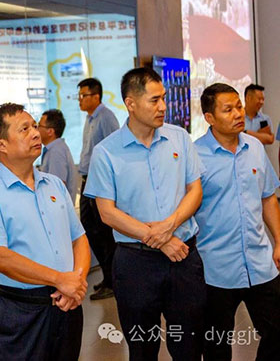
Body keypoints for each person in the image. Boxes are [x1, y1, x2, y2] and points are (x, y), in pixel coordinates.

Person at [84, 67, 206, 361]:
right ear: (131, 103)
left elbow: (195, 190)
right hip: (136, 263)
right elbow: (107, 212)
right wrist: (161, 239)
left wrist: (169, 226)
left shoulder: (179, 138)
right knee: (142, 347)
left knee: (189, 346)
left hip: (183, 256)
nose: (163, 106)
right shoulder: (106, 152)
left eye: (163, 98)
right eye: (154, 100)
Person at [0, 103, 90, 361]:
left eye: (34, 126)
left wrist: (77, 283)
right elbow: (0, 258)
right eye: (24, 129)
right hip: (19, 311)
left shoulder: (54, 185)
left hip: (67, 304)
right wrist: (60, 280)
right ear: (1, 145)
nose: (35, 133)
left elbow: (79, 238)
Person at [195, 83, 280, 361]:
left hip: (260, 263)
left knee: (276, 332)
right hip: (215, 269)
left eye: (239, 107)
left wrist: (279, 241)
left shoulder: (254, 147)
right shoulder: (195, 156)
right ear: (209, 117)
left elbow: (268, 197)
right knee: (217, 345)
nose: (237, 114)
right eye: (228, 109)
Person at [76, 77, 119, 300]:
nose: (80, 100)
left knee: (103, 234)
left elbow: (115, 150)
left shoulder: (106, 117)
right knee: (91, 230)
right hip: (87, 181)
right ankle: (107, 276)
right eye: (79, 96)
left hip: (100, 184)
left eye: (83, 96)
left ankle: (113, 281)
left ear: (96, 96)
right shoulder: (90, 118)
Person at [38, 109, 77, 203]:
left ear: (50, 131)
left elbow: (56, 188)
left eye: (39, 126)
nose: (36, 129)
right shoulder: (54, 149)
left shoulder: (56, 152)